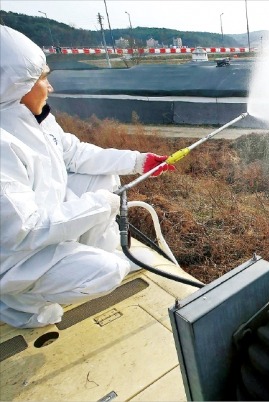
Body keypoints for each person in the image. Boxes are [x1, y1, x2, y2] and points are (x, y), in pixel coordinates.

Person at [0, 25, 175, 328]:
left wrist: (140, 161)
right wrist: (98, 205)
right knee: (104, 272)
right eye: (43, 77)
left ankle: (93, 256)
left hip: (45, 230)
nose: (49, 86)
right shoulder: (4, 145)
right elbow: (25, 229)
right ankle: (18, 305)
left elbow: (79, 154)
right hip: (16, 260)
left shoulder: (36, 122)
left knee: (104, 179)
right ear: (17, 86)